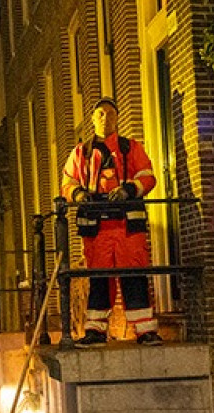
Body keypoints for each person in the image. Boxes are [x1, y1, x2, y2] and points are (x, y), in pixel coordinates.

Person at [58, 97, 162, 346]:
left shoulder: (131, 148)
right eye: (101, 114)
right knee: (99, 278)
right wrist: (80, 194)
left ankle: (145, 331)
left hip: (127, 224)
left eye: (110, 114)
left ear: (117, 118)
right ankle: (95, 330)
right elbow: (67, 182)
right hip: (97, 227)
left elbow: (148, 176)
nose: (106, 118)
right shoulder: (80, 152)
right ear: (93, 120)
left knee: (134, 274)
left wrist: (128, 189)